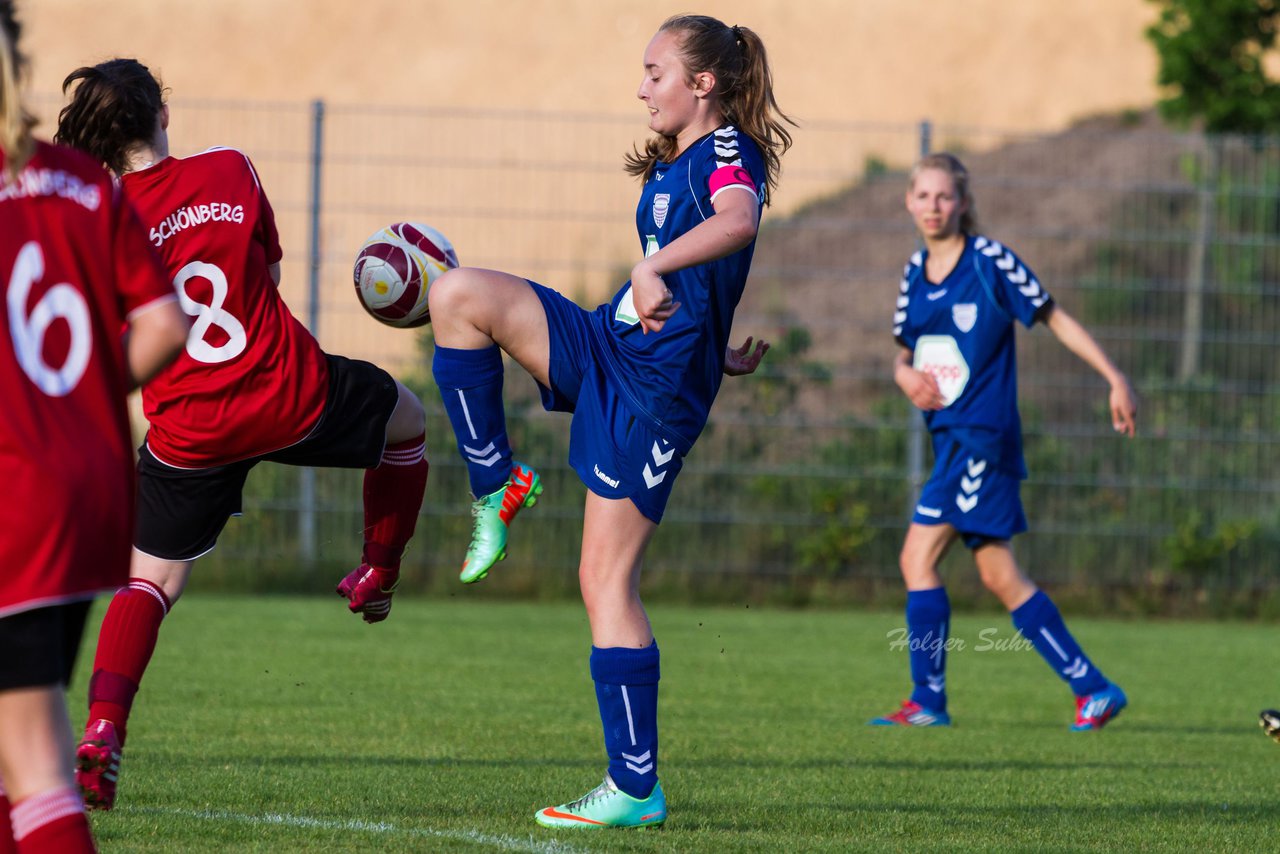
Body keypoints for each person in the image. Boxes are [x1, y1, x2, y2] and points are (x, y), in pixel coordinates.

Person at [426, 14, 788, 829]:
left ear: (702, 83)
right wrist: (710, 332)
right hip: (608, 340)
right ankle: (496, 489)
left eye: (654, 72)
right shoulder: (677, 162)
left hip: (653, 393)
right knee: (456, 295)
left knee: (603, 581)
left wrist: (659, 274)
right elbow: (699, 277)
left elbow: (739, 223)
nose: (640, 87)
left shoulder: (729, 151)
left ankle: (634, 787)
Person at [53, 58, 431, 811]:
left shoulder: (104, 220)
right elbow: (271, 277)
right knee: (408, 422)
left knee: (149, 583)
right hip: (289, 392)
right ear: (163, 111)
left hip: (190, 428)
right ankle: (377, 573)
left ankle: (101, 730)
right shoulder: (231, 168)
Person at [0, 4, 189, 850]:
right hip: (86, 485)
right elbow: (162, 323)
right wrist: (73, 395)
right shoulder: (82, 183)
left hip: (12, 488)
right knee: (18, 749)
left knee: (33, 758)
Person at [870, 152, 1137, 731]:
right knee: (998, 576)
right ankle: (1092, 688)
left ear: (963, 203)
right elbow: (903, 348)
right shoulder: (914, 272)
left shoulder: (990, 262)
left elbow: (1053, 315)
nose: (934, 207)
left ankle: (928, 701)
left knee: (917, 557)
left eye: (945, 197)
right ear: (909, 202)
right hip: (952, 443)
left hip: (982, 441)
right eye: (924, 196)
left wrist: (1113, 376)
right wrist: (902, 373)